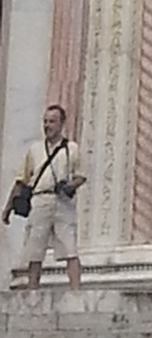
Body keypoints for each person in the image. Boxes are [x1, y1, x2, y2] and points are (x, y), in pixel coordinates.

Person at [15, 102, 84, 291]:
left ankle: (76, 290)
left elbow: (80, 176)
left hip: (62, 201)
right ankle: (32, 290)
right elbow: (22, 179)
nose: (47, 125)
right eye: (45, 121)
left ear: (62, 124)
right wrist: (7, 208)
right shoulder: (35, 150)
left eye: (52, 121)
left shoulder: (71, 148)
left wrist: (69, 186)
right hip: (40, 200)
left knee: (70, 247)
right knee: (35, 249)